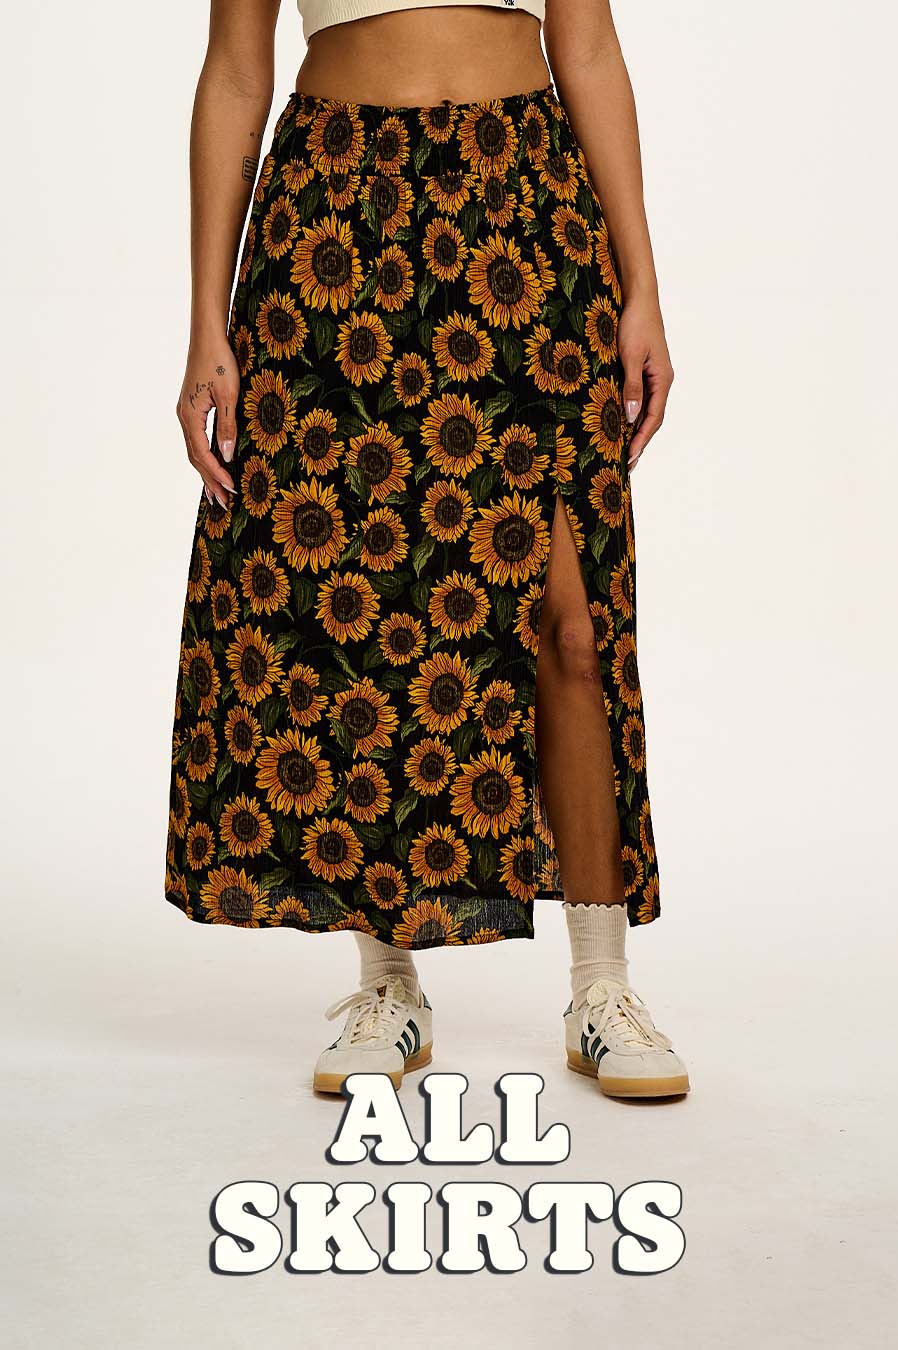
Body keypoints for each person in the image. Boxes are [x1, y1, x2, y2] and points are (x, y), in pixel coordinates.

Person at [169, 0, 689, 1100]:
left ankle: (601, 989)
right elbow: (234, 75)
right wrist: (207, 320)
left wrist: (643, 283)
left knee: (572, 623)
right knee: (361, 607)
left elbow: (589, 48)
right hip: (334, 207)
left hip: (526, 206)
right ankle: (388, 986)